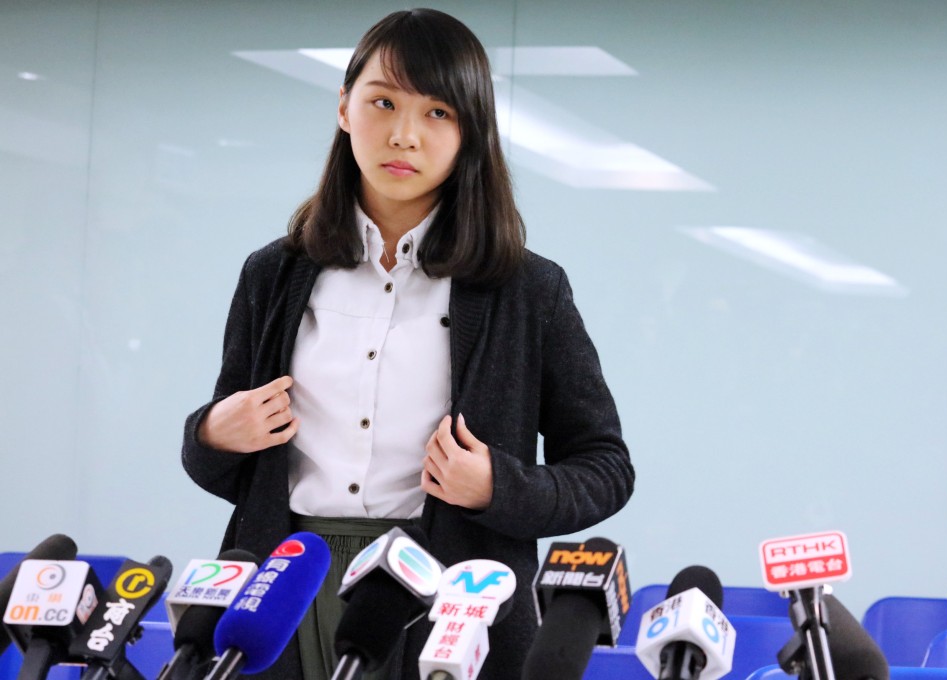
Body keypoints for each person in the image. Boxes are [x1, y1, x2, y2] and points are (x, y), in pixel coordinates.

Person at [182, 8, 634, 679]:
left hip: (448, 589)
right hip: (287, 579)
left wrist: (496, 488)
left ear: (470, 131)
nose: (403, 134)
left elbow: (605, 468)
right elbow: (228, 467)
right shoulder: (273, 274)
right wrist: (215, 433)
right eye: (383, 102)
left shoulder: (527, 289)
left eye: (438, 113)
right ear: (343, 108)